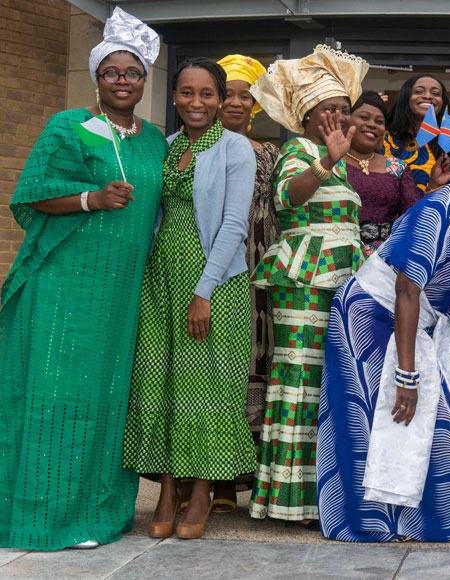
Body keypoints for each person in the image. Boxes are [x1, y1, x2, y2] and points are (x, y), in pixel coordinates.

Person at [0, 8, 163, 551]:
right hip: (65, 284)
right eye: (112, 71)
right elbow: (28, 194)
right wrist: (91, 198)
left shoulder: (154, 142)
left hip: (119, 293)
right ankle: (41, 517)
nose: (122, 80)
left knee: (104, 398)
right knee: (55, 393)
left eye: (132, 72)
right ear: (97, 77)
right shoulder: (67, 125)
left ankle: (94, 512)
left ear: (144, 80)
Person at [317, 138, 450, 542]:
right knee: (386, 416)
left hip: (421, 322)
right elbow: (406, 288)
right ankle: (371, 522)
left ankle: (426, 520)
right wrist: (407, 375)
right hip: (372, 314)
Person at [123, 57, 257, 540]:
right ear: (174, 97)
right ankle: (166, 489)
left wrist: (203, 291)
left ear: (221, 100)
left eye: (206, 94)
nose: (196, 102)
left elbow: (235, 225)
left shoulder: (235, 147)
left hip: (214, 282)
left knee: (208, 386)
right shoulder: (167, 145)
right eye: (186, 92)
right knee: (161, 381)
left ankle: (201, 491)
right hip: (161, 276)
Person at [246, 45, 369, 525]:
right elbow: (290, 198)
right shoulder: (300, 151)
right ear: (306, 117)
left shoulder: (340, 159)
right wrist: (323, 163)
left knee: (324, 384)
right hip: (304, 276)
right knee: (298, 381)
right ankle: (288, 500)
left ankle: (322, 497)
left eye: (343, 109)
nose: (338, 116)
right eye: (327, 110)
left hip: (340, 277)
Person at [209, 53, 280, 514]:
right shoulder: (197, 146)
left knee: (259, 361)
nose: (236, 102)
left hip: (262, 269)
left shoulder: (270, 153)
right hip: (216, 265)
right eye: (228, 93)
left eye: (245, 95)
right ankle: (207, 481)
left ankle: (245, 480)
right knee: (215, 367)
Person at [345, 91, 423, 254]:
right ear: (346, 120)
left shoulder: (397, 167)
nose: (373, 124)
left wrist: (434, 186)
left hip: (381, 261)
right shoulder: (328, 161)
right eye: (364, 117)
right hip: (334, 254)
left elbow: (414, 218)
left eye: (379, 121)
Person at [383, 73, 450, 192]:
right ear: (406, 98)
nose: (427, 96)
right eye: (418, 91)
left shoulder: (446, 146)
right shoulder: (383, 139)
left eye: (435, 93)